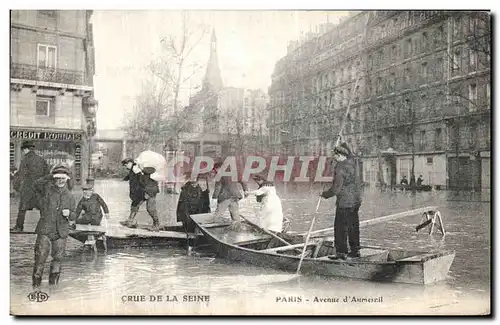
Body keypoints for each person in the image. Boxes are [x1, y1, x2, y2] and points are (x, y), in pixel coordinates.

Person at [31, 164, 76, 288]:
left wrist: (70, 214)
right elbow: (35, 185)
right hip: (45, 229)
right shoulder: (46, 190)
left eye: (63, 178)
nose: (60, 181)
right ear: (54, 179)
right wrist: (52, 174)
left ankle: (53, 289)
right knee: (40, 258)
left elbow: (74, 215)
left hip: (61, 232)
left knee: (58, 259)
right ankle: (35, 288)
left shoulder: (70, 196)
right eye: (58, 178)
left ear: (67, 179)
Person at [320, 142, 363, 260]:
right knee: (353, 226)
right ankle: (355, 250)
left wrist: (324, 194)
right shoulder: (353, 164)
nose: (333, 157)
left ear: (339, 155)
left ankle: (341, 253)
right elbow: (350, 153)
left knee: (340, 228)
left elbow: (336, 189)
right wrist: (342, 143)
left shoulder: (340, 168)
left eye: (335, 155)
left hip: (345, 202)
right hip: (356, 201)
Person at [11, 141, 50, 232]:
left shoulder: (25, 160)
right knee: (42, 208)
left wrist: (16, 186)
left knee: (22, 209)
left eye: (23, 150)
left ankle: (19, 227)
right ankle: (45, 227)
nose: (23, 152)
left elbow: (21, 174)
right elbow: (47, 174)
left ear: (26, 149)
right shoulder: (41, 159)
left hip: (27, 188)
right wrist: (42, 184)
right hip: (39, 188)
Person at [120, 158, 145, 229]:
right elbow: (130, 176)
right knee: (134, 206)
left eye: (126, 165)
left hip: (139, 192)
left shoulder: (135, 169)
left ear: (130, 163)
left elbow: (141, 180)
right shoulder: (132, 169)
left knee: (135, 206)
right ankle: (130, 220)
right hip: (135, 192)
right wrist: (124, 179)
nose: (126, 167)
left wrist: (140, 189)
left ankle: (130, 221)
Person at [139, 167, 161, 231]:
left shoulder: (143, 178)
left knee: (150, 209)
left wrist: (147, 194)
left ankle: (156, 225)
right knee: (151, 209)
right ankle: (156, 224)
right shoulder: (152, 180)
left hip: (149, 194)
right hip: (150, 194)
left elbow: (143, 186)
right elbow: (156, 189)